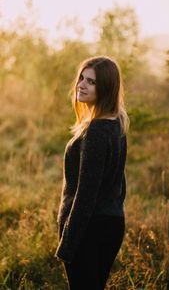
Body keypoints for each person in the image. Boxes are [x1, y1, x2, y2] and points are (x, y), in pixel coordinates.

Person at [55, 56, 129, 290]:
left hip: (88, 231)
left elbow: (85, 195)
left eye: (92, 82)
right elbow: (120, 183)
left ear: (106, 88)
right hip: (111, 223)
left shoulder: (97, 131)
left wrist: (67, 244)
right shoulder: (116, 123)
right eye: (81, 78)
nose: (81, 85)